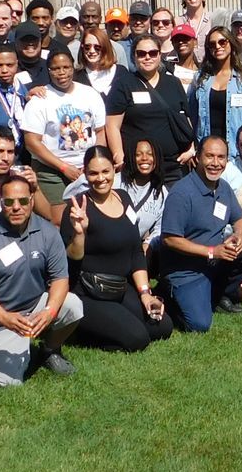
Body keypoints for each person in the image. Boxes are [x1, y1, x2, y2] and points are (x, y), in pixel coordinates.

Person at [0, 177, 82, 385]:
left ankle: (49, 350)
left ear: (32, 201)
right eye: (9, 202)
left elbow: (60, 278)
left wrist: (49, 312)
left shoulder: (47, 231)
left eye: (23, 201)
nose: (16, 207)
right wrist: (5, 318)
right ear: (1, 203)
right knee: (11, 381)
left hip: (34, 306)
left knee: (73, 306)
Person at [61, 147, 172, 352]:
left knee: (162, 327)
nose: (100, 178)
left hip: (120, 287)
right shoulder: (77, 208)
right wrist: (80, 232)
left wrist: (146, 294)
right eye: (93, 173)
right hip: (88, 292)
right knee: (137, 339)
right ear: (85, 173)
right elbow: (71, 260)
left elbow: (135, 251)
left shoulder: (124, 198)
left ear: (114, 170)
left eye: (105, 171)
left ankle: (114, 321)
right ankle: (79, 331)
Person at [158, 135, 242, 331]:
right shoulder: (181, 193)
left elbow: (240, 220)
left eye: (221, 157)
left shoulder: (223, 188)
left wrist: (239, 235)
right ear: (197, 158)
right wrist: (212, 251)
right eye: (210, 156)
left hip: (216, 262)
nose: (216, 163)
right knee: (199, 325)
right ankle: (169, 295)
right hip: (186, 270)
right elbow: (170, 239)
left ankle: (217, 294)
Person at [20, 46, 108, 212]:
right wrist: (63, 167)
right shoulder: (40, 100)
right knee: (58, 219)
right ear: (49, 70)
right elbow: (32, 142)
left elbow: (100, 132)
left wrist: (93, 162)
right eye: (56, 68)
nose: (61, 73)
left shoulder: (90, 94)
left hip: (87, 169)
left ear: (73, 67)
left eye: (66, 67)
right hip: (52, 172)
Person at [107, 34, 196, 181]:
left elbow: (185, 117)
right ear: (134, 56)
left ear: (160, 55)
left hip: (173, 166)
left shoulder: (173, 83)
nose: (147, 57)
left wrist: (191, 149)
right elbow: (112, 126)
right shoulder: (123, 84)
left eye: (153, 53)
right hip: (139, 168)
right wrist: (120, 158)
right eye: (141, 54)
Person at [191, 26, 242, 150]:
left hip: (234, 150)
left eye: (222, 42)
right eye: (212, 44)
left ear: (231, 44)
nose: (217, 47)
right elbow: (193, 116)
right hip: (206, 148)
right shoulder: (200, 78)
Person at [78, 30, 119, 97]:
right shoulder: (77, 77)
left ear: (105, 48)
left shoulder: (121, 73)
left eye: (97, 47)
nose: (91, 51)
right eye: (87, 47)